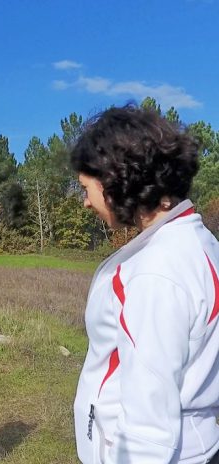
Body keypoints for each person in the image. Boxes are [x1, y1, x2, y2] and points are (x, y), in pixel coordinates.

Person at [71, 104, 219, 463]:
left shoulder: (154, 272)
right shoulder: (200, 243)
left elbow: (148, 430)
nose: (85, 203)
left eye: (86, 188)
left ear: (114, 179)